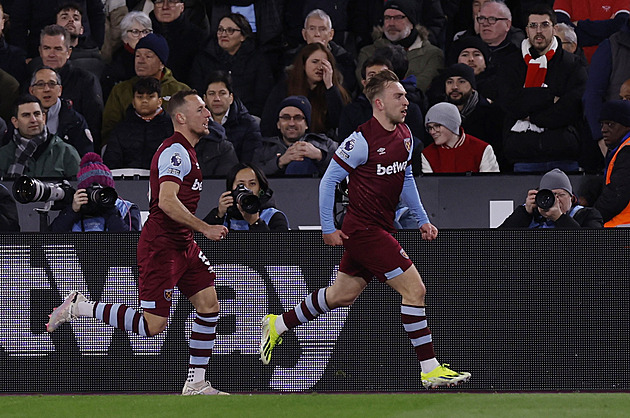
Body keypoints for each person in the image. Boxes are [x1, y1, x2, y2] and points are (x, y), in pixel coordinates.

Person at [259, 70, 471, 389]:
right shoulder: (360, 141)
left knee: (340, 296)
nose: (405, 100)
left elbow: (406, 179)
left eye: (404, 95)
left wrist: (423, 218)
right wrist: (328, 226)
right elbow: (329, 181)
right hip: (364, 231)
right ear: (379, 102)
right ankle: (429, 368)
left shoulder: (405, 135)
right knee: (416, 290)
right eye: (398, 96)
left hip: (381, 227)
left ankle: (278, 323)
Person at [46, 90, 230, 396]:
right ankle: (81, 306)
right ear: (180, 117)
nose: (208, 113)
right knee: (152, 326)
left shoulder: (188, 150)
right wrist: (205, 228)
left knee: (209, 305)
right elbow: (167, 203)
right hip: (162, 245)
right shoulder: (175, 152)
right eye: (200, 109)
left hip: (182, 244)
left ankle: (196, 383)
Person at [495, 5, 586, 172]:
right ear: (526, 30)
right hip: (522, 153)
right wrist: (549, 97)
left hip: (563, 153)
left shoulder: (572, 64)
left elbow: (571, 107)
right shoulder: (510, 64)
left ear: (554, 28)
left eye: (544, 25)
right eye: (533, 26)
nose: (539, 31)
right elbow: (510, 104)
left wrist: (531, 115)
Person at [101, 32, 189, 145]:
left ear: (162, 63)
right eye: (137, 55)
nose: (141, 61)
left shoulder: (180, 91)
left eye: (148, 56)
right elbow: (109, 130)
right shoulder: (121, 90)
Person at [189, 12, 274, 117]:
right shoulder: (203, 58)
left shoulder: (258, 60)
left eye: (230, 30)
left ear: (243, 36)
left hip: (247, 117)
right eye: (220, 30)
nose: (223, 34)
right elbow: (197, 92)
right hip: (209, 117)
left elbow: (262, 97)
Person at [34, 25, 103, 151]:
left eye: (58, 49)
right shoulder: (30, 82)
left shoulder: (87, 81)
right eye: (47, 48)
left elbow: (95, 127)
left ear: (68, 53)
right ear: (40, 51)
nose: (51, 54)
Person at [260, 42, 351, 139]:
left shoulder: (335, 92)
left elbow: (340, 123)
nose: (320, 67)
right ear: (303, 65)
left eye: (324, 63)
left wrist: (330, 87)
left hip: (322, 146)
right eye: (315, 62)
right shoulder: (284, 88)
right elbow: (268, 123)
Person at [355, 0, 444, 93]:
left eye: (398, 17)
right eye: (387, 18)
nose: (391, 23)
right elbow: (365, 84)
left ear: (412, 22)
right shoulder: (368, 52)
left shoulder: (432, 54)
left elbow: (422, 84)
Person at [49, 152, 141, 232]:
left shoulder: (126, 209)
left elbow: (131, 244)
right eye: (92, 188)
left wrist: (111, 211)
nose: (98, 194)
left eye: (103, 188)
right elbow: (51, 239)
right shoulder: (75, 208)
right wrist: (72, 212)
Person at [254, 96, 338, 177]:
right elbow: (252, 173)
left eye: (298, 118)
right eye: (286, 117)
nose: (291, 123)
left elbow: (345, 165)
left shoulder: (325, 143)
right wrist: (279, 162)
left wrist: (320, 156)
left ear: (306, 124)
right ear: (278, 124)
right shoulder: (264, 148)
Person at [0, 94, 80, 178]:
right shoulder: (3, 156)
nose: (33, 120)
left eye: (37, 114)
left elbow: (80, 187)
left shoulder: (66, 152)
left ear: (44, 118)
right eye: (26, 115)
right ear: (15, 122)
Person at [103, 76, 173, 169]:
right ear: (133, 102)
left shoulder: (171, 128)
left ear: (159, 101)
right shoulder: (121, 130)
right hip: (126, 182)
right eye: (140, 97)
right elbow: (111, 163)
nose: (144, 101)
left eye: (150, 97)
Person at [499, 168, 604, 228]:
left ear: (571, 198)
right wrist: (524, 213)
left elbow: (593, 247)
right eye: (551, 195)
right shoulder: (530, 216)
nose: (556, 200)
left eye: (561, 195)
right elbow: (496, 243)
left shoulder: (588, 215)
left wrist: (560, 218)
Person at [28, 66, 94, 156]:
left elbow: (87, 157)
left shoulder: (76, 121)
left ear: (60, 90)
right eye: (40, 84)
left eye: (52, 84)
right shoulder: (21, 118)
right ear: (32, 91)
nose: (47, 89)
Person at [203, 162, 289, 231]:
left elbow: (278, 250)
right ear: (231, 188)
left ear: (260, 189)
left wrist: (255, 222)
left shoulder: (273, 216)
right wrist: (217, 215)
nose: (247, 189)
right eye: (241, 185)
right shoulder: (223, 215)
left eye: (252, 184)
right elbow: (198, 244)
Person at [202, 70, 262, 164]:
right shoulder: (197, 123)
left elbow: (251, 163)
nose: (217, 99)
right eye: (211, 93)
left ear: (231, 97)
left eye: (222, 93)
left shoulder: (248, 124)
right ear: (205, 99)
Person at [422, 102, 499, 173]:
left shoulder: (482, 149)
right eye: (430, 127)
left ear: (451, 125)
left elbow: (490, 184)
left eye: (437, 126)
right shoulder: (427, 154)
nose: (432, 132)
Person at [149, 0, 208, 85]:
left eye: (172, 1)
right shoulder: (143, 34)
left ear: (182, 7)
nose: (165, 7)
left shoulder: (197, 37)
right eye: (159, 2)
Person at [593, 100, 630, 227]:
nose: (603, 130)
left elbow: (616, 196)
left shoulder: (628, 152)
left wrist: (591, 218)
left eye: (610, 124)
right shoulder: (622, 148)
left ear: (627, 125)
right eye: (602, 124)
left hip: (623, 227)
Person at [101, 11, 152, 100]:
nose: (142, 36)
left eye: (146, 31)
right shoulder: (116, 65)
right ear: (124, 37)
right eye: (135, 32)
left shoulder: (157, 58)